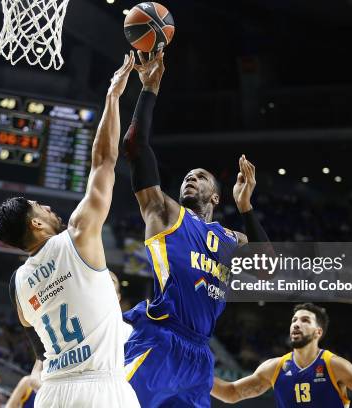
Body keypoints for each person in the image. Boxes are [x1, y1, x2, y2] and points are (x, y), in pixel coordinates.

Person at [121, 50, 269, 407]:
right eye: (187, 176)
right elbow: (135, 147)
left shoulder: (231, 239)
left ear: (216, 197)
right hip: (160, 340)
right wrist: (149, 90)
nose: (190, 178)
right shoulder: (166, 212)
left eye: (200, 177)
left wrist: (246, 207)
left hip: (200, 357)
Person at [0, 52, 139, 407]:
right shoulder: (77, 236)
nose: (48, 207)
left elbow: (30, 329)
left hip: (54, 394)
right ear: (36, 223)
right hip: (102, 389)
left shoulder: (18, 284)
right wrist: (113, 97)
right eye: (40, 207)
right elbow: (104, 161)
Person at [211, 303, 352, 408]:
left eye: (304, 320)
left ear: (318, 332)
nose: (296, 324)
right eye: (294, 320)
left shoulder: (334, 365)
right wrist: (197, 373)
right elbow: (232, 393)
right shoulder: (274, 367)